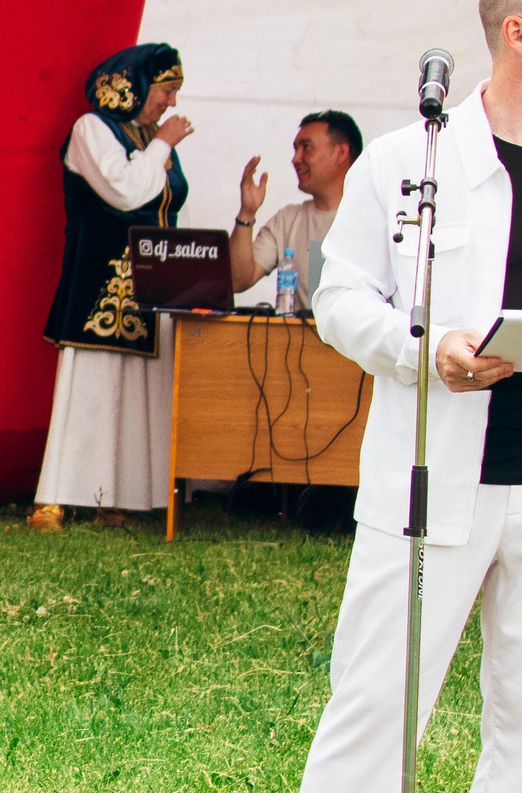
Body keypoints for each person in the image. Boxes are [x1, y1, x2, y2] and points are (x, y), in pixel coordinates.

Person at [254, 0, 522, 793]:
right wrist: (425, 350)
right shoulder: (412, 158)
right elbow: (341, 294)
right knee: (376, 690)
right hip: (434, 464)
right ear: (512, 29)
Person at [27, 45, 192, 531]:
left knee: (136, 391)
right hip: (100, 280)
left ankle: (115, 498)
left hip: (147, 286)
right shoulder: (91, 129)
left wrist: (157, 141)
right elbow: (125, 191)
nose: (171, 103)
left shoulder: (148, 136)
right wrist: (161, 144)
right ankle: (55, 499)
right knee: (90, 386)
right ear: (136, 85)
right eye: (166, 90)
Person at [231, 110, 362, 303]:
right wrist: (247, 213)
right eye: (295, 149)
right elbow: (238, 281)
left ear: (341, 152)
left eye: (307, 147)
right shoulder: (287, 219)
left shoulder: (375, 217)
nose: (295, 159)